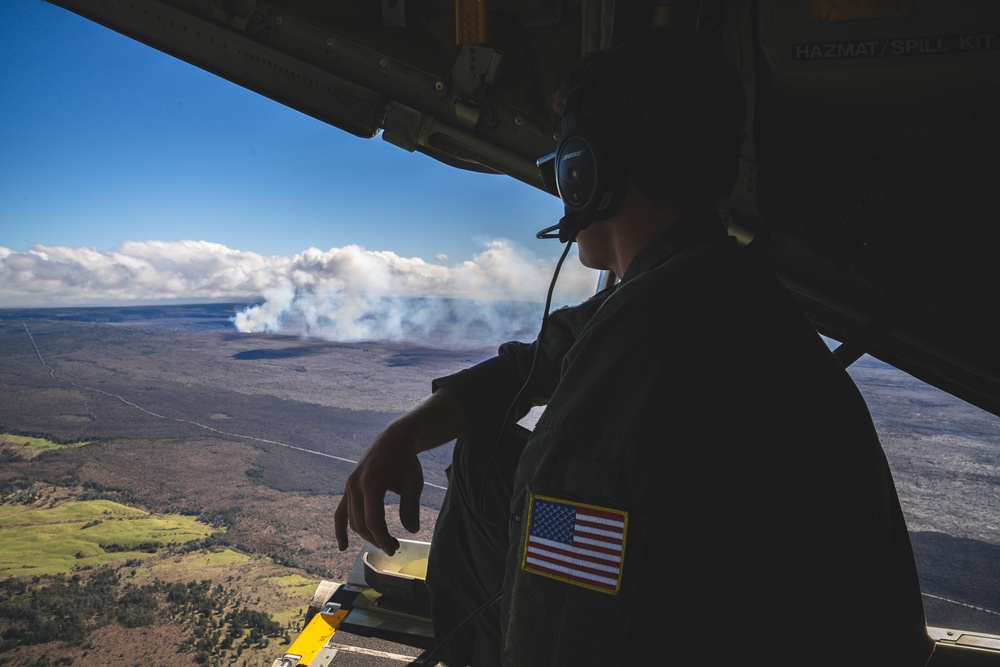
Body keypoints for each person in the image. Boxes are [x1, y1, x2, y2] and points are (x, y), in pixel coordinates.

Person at [334, 27, 934, 667]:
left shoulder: (645, 348)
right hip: (783, 621)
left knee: (532, 492)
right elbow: (535, 361)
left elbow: (568, 631)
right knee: (485, 455)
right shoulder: (710, 285)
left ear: (588, 168)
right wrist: (404, 432)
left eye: (566, 159)